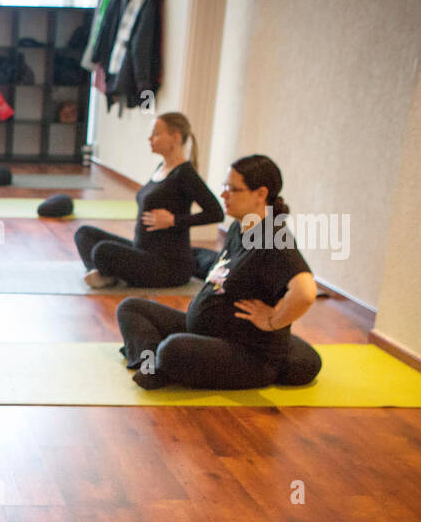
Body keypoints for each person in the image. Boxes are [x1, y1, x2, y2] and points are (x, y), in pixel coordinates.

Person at [116, 154, 322, 390]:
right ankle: (153, 366)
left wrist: (273, 321)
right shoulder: (239, 226)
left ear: (261, 194)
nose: (223, 194)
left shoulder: (273, 237)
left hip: (247, 356)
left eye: (233, 189)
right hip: (207, 335)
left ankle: (159, 361)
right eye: (225, 186)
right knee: (131, 308)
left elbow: (305, 292)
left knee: (174, 348)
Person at [74, 112, 224, 288]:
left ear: (175, 138)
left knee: (102, 251)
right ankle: (105, 274)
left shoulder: (185, 174)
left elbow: (216, 213)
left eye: (156, 134)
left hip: (169, 266)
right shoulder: (161, 167)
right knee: (84, 234)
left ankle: (108, 273)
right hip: (143, 252)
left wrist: (173, 220)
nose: (150, 138)